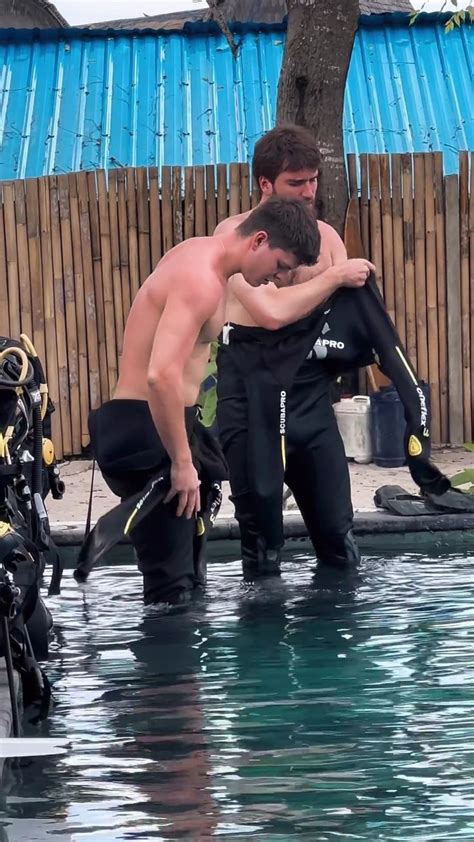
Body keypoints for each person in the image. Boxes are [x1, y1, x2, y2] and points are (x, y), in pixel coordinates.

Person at [215, 125, 451, 579]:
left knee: (338, 539)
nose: (308, 192)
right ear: (266, 184)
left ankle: (336, 642)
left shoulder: (327, 238)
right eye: (295, 183)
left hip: (309, 398)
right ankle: (262, 647)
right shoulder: (238, 236)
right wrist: (336, 276)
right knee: (262, 547)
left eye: (313, 181)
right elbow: (269, 313)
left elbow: (348, 322)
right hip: (251, 397)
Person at [87, 196, 319, 607]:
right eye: (281, 265)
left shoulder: (199, 253)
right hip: (150, 430)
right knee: (171, 593)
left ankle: (184, 669)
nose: (278, 278)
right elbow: (161, 376)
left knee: (190, 581)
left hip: (162, 424)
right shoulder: (202, 279)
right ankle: (168, 670)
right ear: (259, 240)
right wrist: (180, 461)